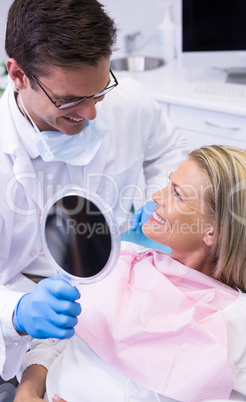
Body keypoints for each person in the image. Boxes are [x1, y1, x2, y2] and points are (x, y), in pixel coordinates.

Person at [0, 0, 189, 380]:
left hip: (120, 276)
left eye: (100, 92)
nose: (90, 114)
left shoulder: (128, 101)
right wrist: (16, 312)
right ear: (18, 75)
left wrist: (158, 201)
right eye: (69, 100)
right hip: (27, 292)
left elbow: (167, 151)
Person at [14, 145, 246, 402]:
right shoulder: (116, 260)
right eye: (168, 184)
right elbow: (54, 342)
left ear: (213, 231)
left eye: (177, 195)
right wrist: (27, 391)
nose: (156, 196)